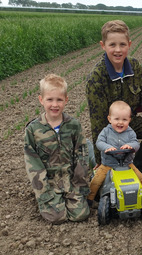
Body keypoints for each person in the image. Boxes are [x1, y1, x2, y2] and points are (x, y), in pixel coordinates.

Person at [86, 20, 142, 177]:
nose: (118, 50)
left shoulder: (135, 66)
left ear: (129, 44)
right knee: (105, 174)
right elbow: (97, 123)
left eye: (122, 45)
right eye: (112, 45)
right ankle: (92, 155)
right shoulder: (96, 78)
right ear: (103, 45)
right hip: (108, 127)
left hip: (130, 122)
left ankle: (136, 166)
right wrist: (100, 161)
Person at [24, 74, 90, 224]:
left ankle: (70, 198)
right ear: (41, 100)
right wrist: (44, 191)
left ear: (66, 100)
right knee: (57, 217)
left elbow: (82, 155)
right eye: (50, 99)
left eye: (59, 100)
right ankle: (49, 201)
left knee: (80, 215)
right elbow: (32, 164)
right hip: (49, 183)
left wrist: (79, 183)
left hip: (71, 180)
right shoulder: (33, 129)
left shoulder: (74, 125)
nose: (55, 104)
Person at [87, 101, 142, 206]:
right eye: (116, 119)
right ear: (109, 119)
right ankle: (89, 200)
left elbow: (136, 143)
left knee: (141, 179)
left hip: (127, 164)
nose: (120, 122)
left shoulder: (130, 132)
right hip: (108, 165)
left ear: (129, 120)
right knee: (96, 181)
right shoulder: (106, 131)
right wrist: (107, 147)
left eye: (124, 119)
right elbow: (99, 143)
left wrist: (131, 146)